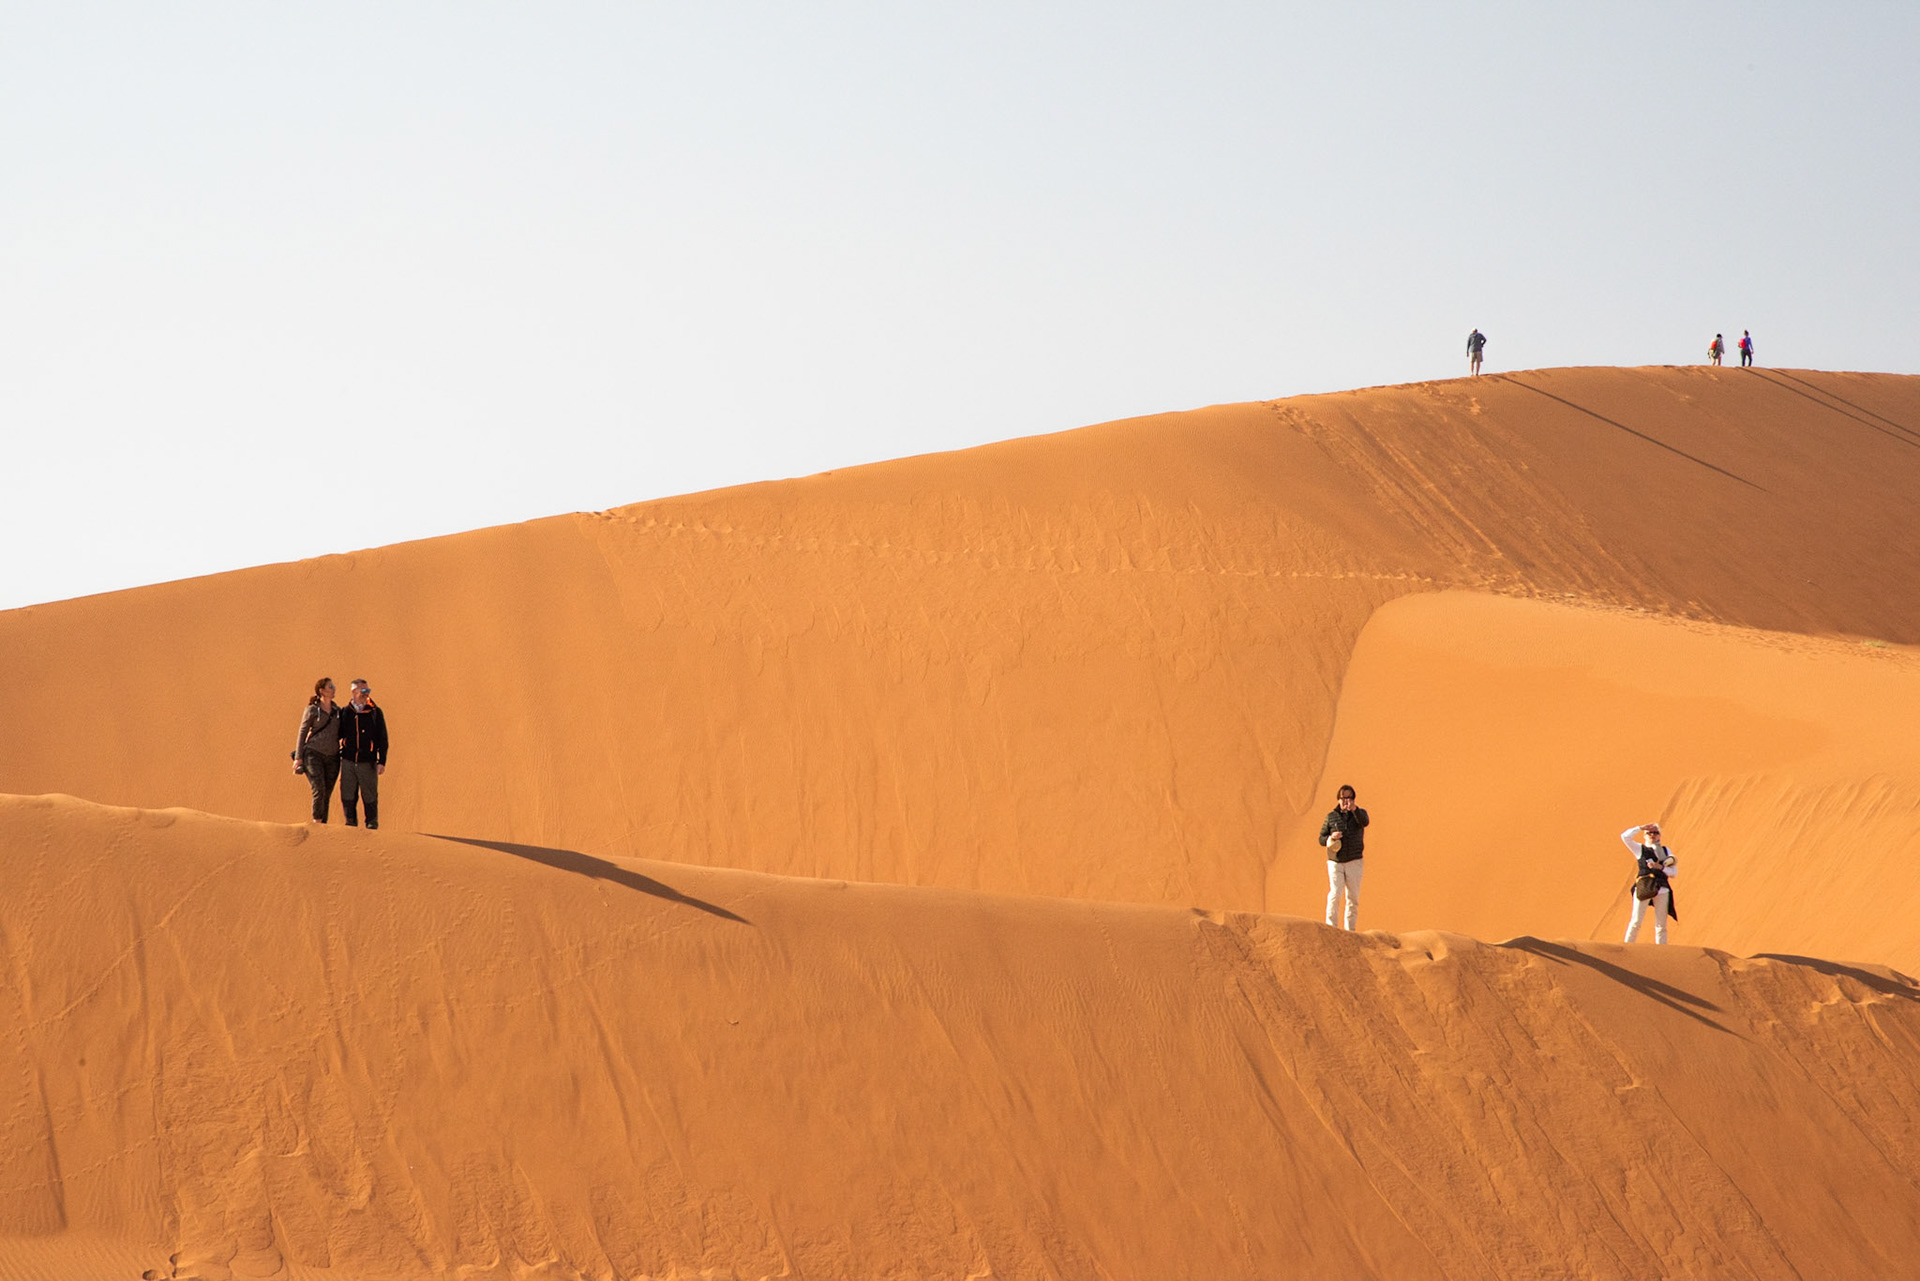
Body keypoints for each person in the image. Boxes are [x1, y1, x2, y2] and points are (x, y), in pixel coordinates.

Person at [338, 678, 390, 829]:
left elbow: (383, 738)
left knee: (370, 795)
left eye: (368, 691)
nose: (366, 694)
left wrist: (382, 761)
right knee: (347, 794)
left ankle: (372, 825)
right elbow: (337, 734)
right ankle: (350, 824)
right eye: (363, 691)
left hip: (368, 762)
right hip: (348, 761)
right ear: (353, 692)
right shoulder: (345, 712)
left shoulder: (375, 712)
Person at [1318, 784, 1370, 930]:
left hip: (1354, 861)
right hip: (1335, 861)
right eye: (1343, 798)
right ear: (1338, 799)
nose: (1346, 801)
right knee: (1335, 893)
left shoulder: (1360, 815)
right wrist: (1331, 837)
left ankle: (1350, 931)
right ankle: (1331, 928)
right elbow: (1321, 839)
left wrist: (1355, 810)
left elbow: (1365, 822)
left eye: (1349, 798)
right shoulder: (1331, 817)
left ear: (1353, 799)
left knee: (1352, 898)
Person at [292, 677, 343, 822]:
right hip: (314, 755)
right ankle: (317, 824)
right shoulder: (313, 710)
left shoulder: (337, 711)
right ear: (322, 691)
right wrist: (298, 757)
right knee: (318, 790)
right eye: (330, 686)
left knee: (326, 793)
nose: (334, 689)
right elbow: (302, 732)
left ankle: (323, 827)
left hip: (333, 757)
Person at [1621, 821, 1678, 944]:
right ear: (1645, 835)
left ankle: (1661, 951)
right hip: (1644, 887)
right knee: (1636, 921)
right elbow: (1625, 837)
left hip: (1662, 889)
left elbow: (1673, 872)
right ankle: (1627, 948)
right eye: (1649, 833)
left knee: (1661, 925)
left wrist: (1660, 867)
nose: (1652, 835)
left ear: (1659, 835)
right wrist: (1640, 827)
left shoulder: (1666, 851)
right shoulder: (1639, 849)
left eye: (1655, 833)